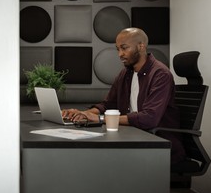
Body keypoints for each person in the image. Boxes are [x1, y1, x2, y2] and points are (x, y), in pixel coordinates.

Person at [62, 27, 185, 165]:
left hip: (158, 144)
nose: (120, 54)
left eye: (124, 48)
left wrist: (99, 118)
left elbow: (149, 118)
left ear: (141, 46)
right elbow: (108, 104)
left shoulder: (160, 74)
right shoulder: (126, 74)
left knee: (97, 160)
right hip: (133, 136)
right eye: (118, 49)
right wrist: (84, 114)